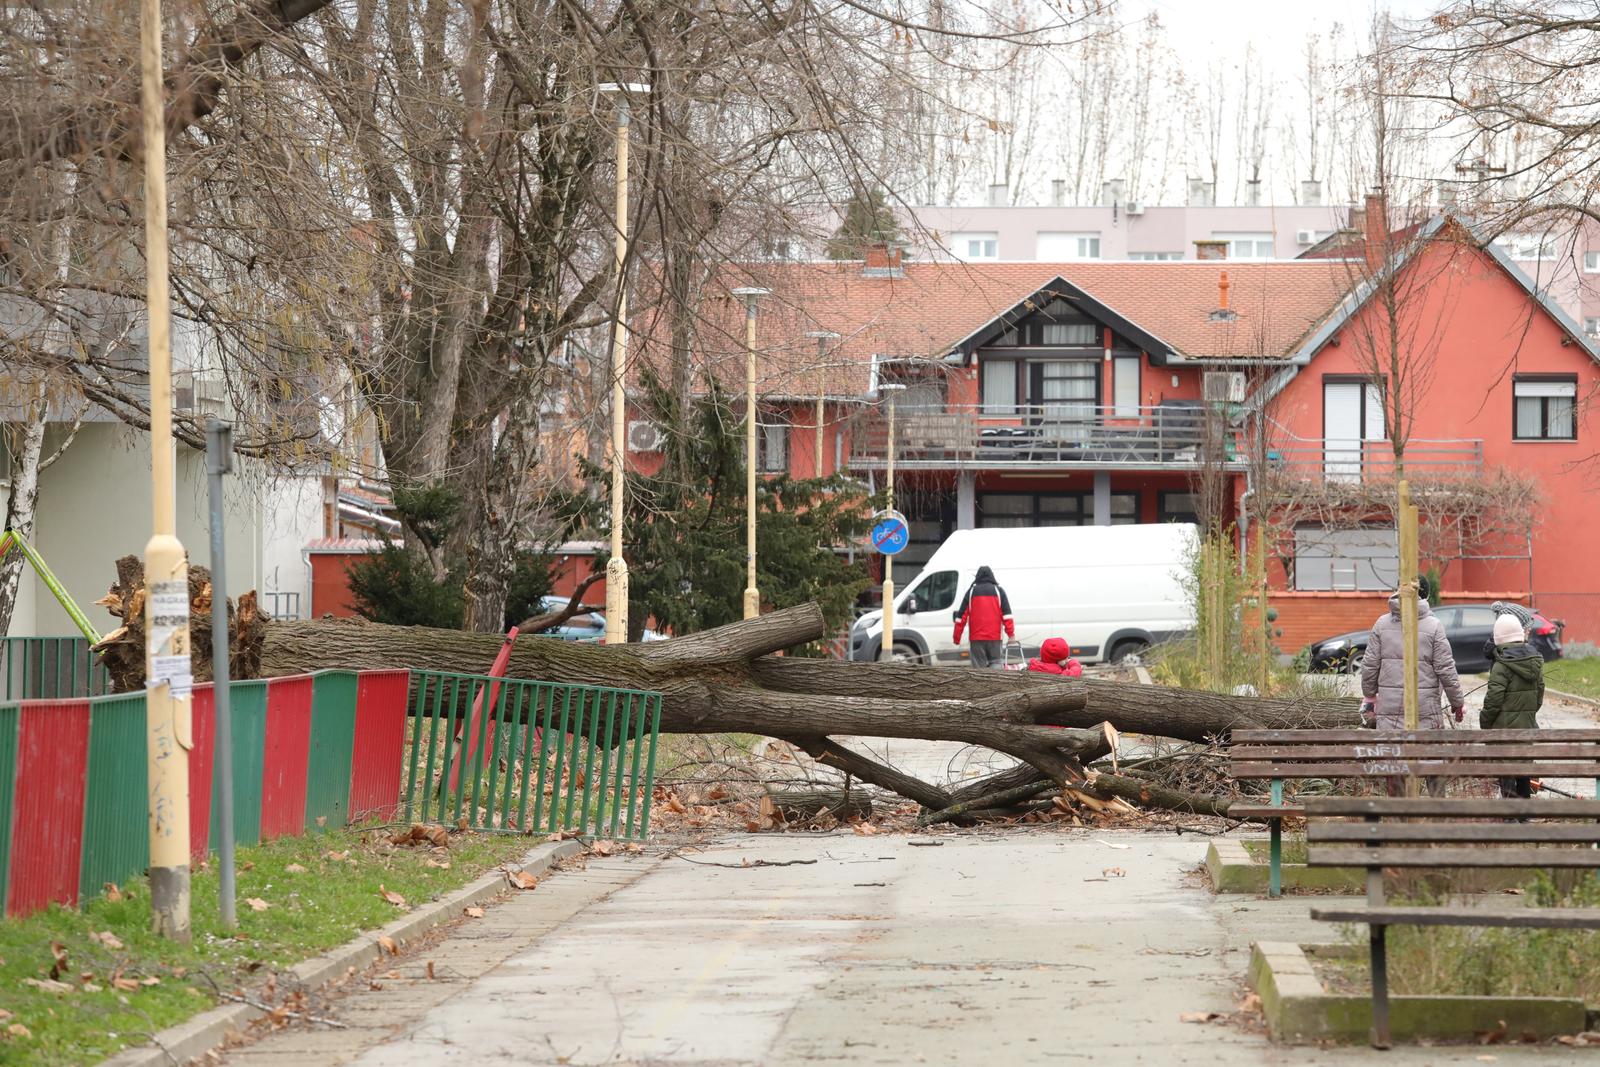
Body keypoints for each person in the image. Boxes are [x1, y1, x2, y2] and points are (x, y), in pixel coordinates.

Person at [1360, 575, 1466, 795]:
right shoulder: (1434, 626)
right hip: (1425, 707)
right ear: (1425, 596)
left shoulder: (1381, 624)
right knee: (1433, 762)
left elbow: (1369, 665)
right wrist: (1457, 703)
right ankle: (1438, 810)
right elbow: (1446, 669)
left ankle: (1398, 810)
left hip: (1390, 708)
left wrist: (1370, 696)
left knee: (1395, 763)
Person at [1481, 612, 1545, 800]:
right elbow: (1539, 695)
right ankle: (1524, 812)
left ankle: (1509, 813)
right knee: (1523, 775)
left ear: (1499, 638)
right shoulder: (1535, 661)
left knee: (1506, 776)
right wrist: (1527, 715)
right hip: (1526, 730)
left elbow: (1493, 700)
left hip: (1504, 734)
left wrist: (1485, 722)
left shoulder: (1501, 665)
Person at [952, 565, 1015, 669]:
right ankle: (995, 679)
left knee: (978, 668)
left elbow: (960, 618)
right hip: (995, 637)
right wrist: (1011, 634)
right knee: (996, 663)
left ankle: (979, 680)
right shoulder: (999, 591)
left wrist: (956, 638)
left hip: (976, 638)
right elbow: (1007, 616)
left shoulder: (971, 592)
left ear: (977, 577)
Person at [1481, 601, 1536, 666]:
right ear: (1514, 628)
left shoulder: (1502, 650)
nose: (1530, 629)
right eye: (1526, 626)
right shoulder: (1510, 655)